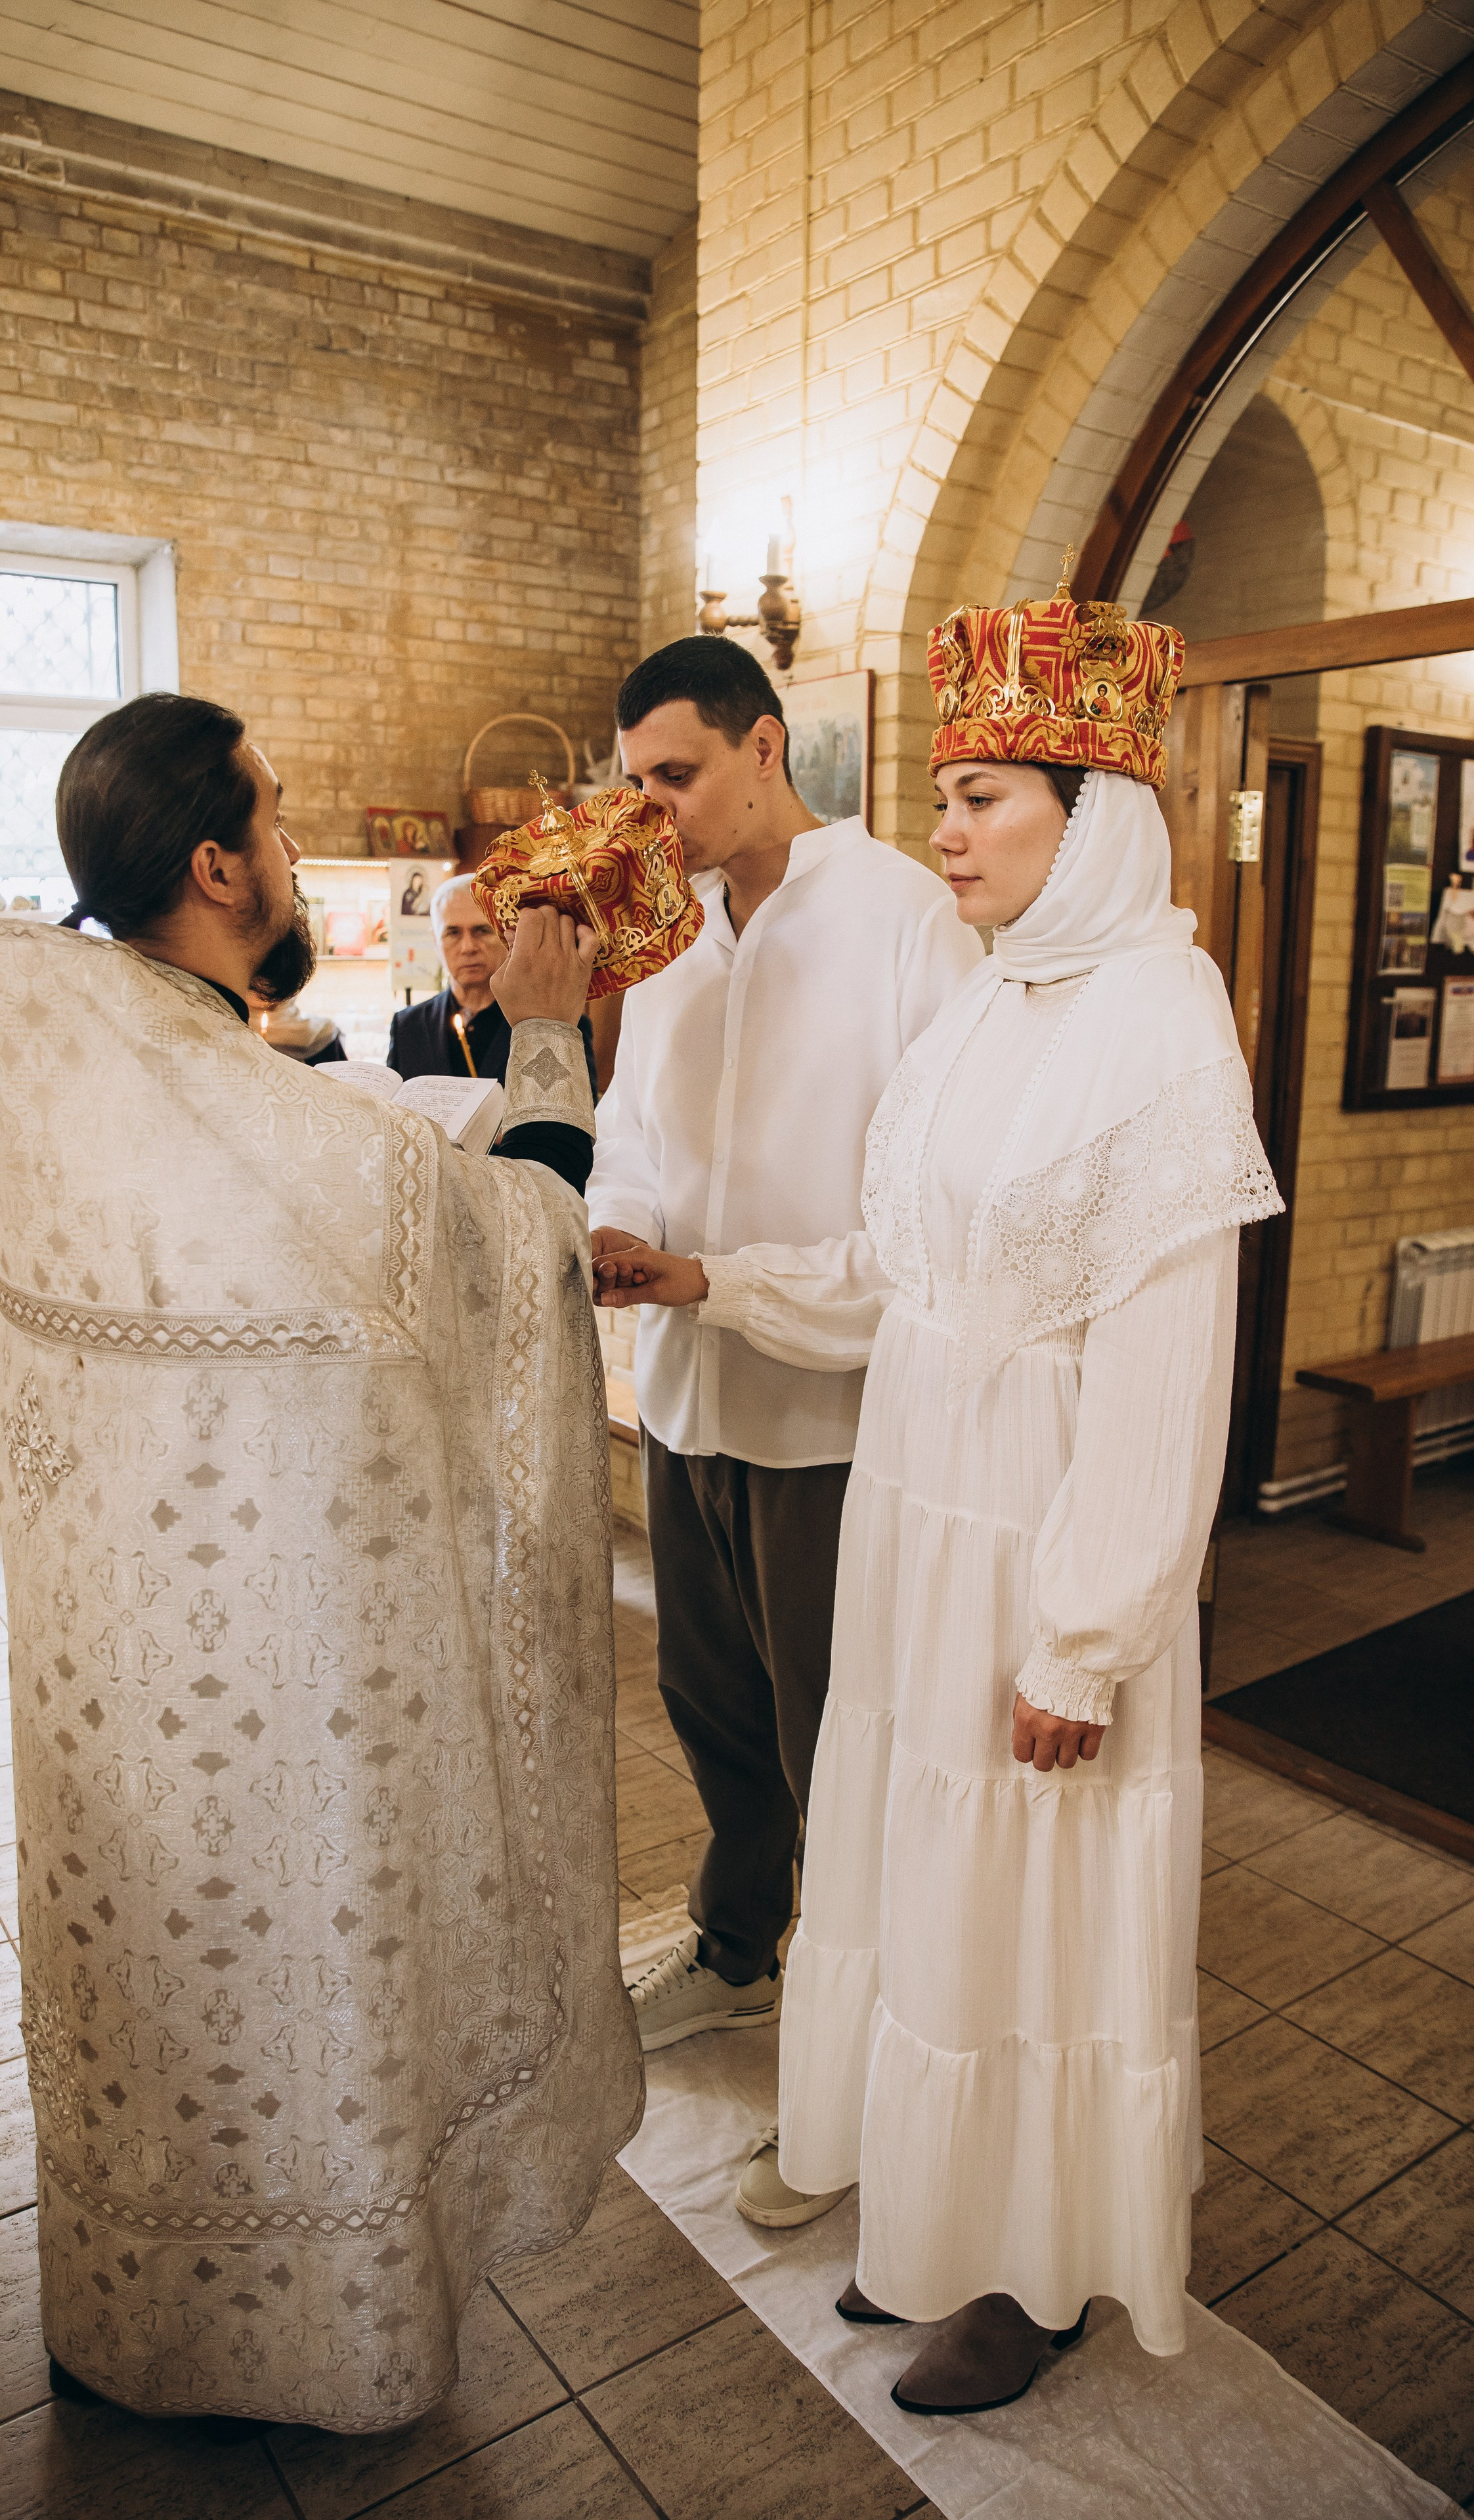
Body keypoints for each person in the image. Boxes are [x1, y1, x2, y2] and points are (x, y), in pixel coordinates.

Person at [596, 580, 1284, 2411]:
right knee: (928, 1882)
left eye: (990, 795)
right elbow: (901, 1268)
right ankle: (938, 2213)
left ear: (1100, 815)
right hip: (915, 1511)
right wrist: (713, 1284)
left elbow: (1163, 1371)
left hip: (1042, 1540)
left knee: (1040, 1907)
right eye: (949, 790)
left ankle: (1039, 2267)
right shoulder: (992, 1006)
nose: (948, 825)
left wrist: (1091, 1633)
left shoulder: (1161, 1014)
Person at [0, 692, 640, 2435]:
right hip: (272, 1680)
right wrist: (548, 1045)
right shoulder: (230, 1099)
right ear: (215, 862)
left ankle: (140, 2313)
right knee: (286, 1998)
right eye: (272, 824)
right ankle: (317, 2338)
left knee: (165, 2013)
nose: (290, 853)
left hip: (118, 1675)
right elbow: (523, 1254)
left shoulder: (91, 1056)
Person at [588, 636, 980, 2112]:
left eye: (675, 776)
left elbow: (930, 1214)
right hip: (686, 1396)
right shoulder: (672, 933)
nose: (654, 812)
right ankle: (739, 1946)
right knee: (713, 1708)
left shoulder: (905, 922)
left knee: (841, 1745)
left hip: (833, 1413)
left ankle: (864, 2041)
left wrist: (721, 1281)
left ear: (768, 747)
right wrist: (620, 1222)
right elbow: (633, 1120)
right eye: (635, 783)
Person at [388, 875, 598, 1095]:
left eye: (482, 930)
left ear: (505, 935)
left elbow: (581, 1113)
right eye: (453, 933)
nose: (468, 947)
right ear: (435, 941)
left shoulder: (556, 1023)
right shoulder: (407, 1026)